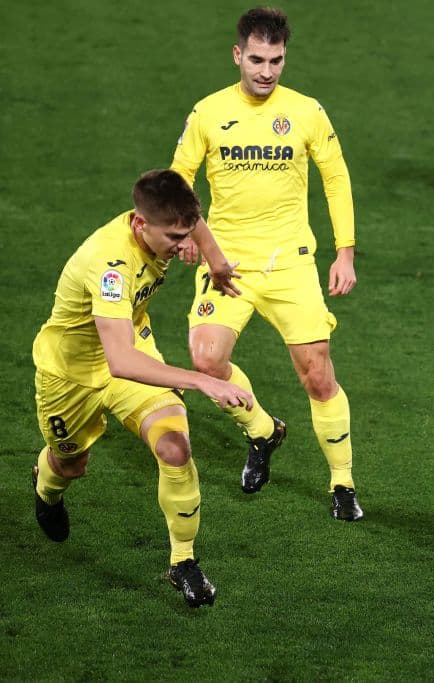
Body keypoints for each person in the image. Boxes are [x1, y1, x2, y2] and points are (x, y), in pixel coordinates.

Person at [170, 7, 363, 521]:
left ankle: (342, 481)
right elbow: (178, 179)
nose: (266, 71)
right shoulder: (208, 113)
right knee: (206, 360)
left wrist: (344, 250)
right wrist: (189, 233)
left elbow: (336, 178)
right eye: (256, 59)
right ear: (238, 55)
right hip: (226, 264)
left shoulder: (306, 111)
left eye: (276, 60)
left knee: (317, 374)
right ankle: (263, 430)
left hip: (291, 264)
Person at [30, 169, 253, 607]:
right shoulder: (111, 265)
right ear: (139, 223)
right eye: (173, 237)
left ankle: (182, 562)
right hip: (72, 373)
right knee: (71, 465)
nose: (181, 244)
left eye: (185, 232)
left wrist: (216, 259)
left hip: (131, 343)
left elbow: (192, 220)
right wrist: (202, 380)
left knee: (175, 447)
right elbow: (121, 362)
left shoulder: (167, 221)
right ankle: (46, 488)